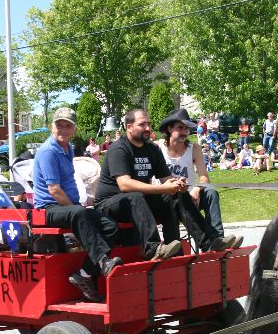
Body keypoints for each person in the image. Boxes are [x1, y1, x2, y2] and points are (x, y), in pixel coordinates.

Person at [94, 109, 234, 261]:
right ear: (129, 127)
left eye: (148, 124)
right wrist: (163, 188)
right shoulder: (119, 149)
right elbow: (124, 185)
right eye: (142, 124)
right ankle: (153, 248)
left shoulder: (152, 149)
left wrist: (177, 184)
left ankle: (208, 242)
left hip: (138, 201)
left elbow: (166, 179)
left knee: (176, 194)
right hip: (109, 205)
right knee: (135, 196)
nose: (147, 128)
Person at [33, 108, 123, 302]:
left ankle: (83, 273)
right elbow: (54, 190)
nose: (63, 130)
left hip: (67, 207)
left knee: (110, 226)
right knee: (79, 213)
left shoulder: (68, 148)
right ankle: (103, 262)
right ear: (52, 126)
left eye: (68, 126)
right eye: (59, 125)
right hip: (47, 208)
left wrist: (83, 205)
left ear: (74, 129)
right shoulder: (49, 151)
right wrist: (77, 209)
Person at [157, 109, 242, 249]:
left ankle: (217, 238)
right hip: (167, 200)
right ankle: (204, 243)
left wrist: (196, 189)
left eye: (186, 128)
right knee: (178, 197)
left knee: (211, 192)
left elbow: (204, 177)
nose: (184, 132)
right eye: (180, 128)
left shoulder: (194, 148)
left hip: (191, 197)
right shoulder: (158, 147)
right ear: (169, 128)